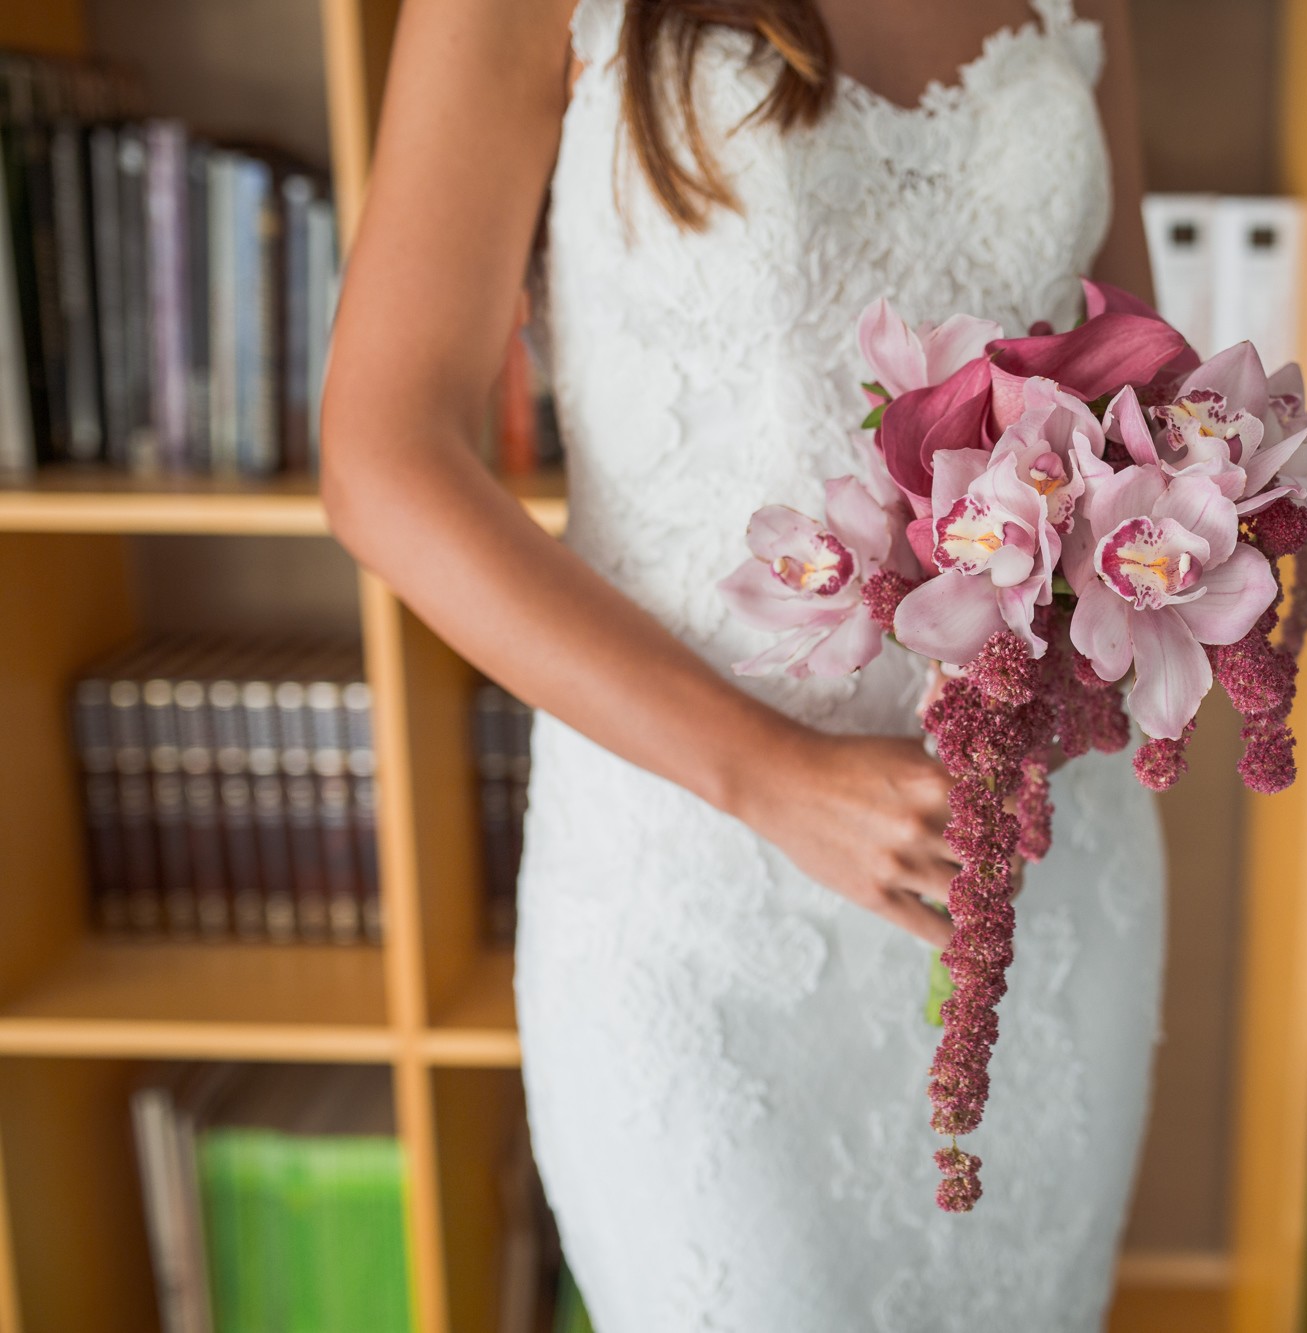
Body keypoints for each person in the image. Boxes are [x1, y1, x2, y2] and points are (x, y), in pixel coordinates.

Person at [320, 0, 1164, 1327]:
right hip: (703, 888)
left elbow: (1130, 379)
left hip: (1035, 882)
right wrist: (772, 773)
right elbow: (384, 454)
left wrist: (1174, 561)